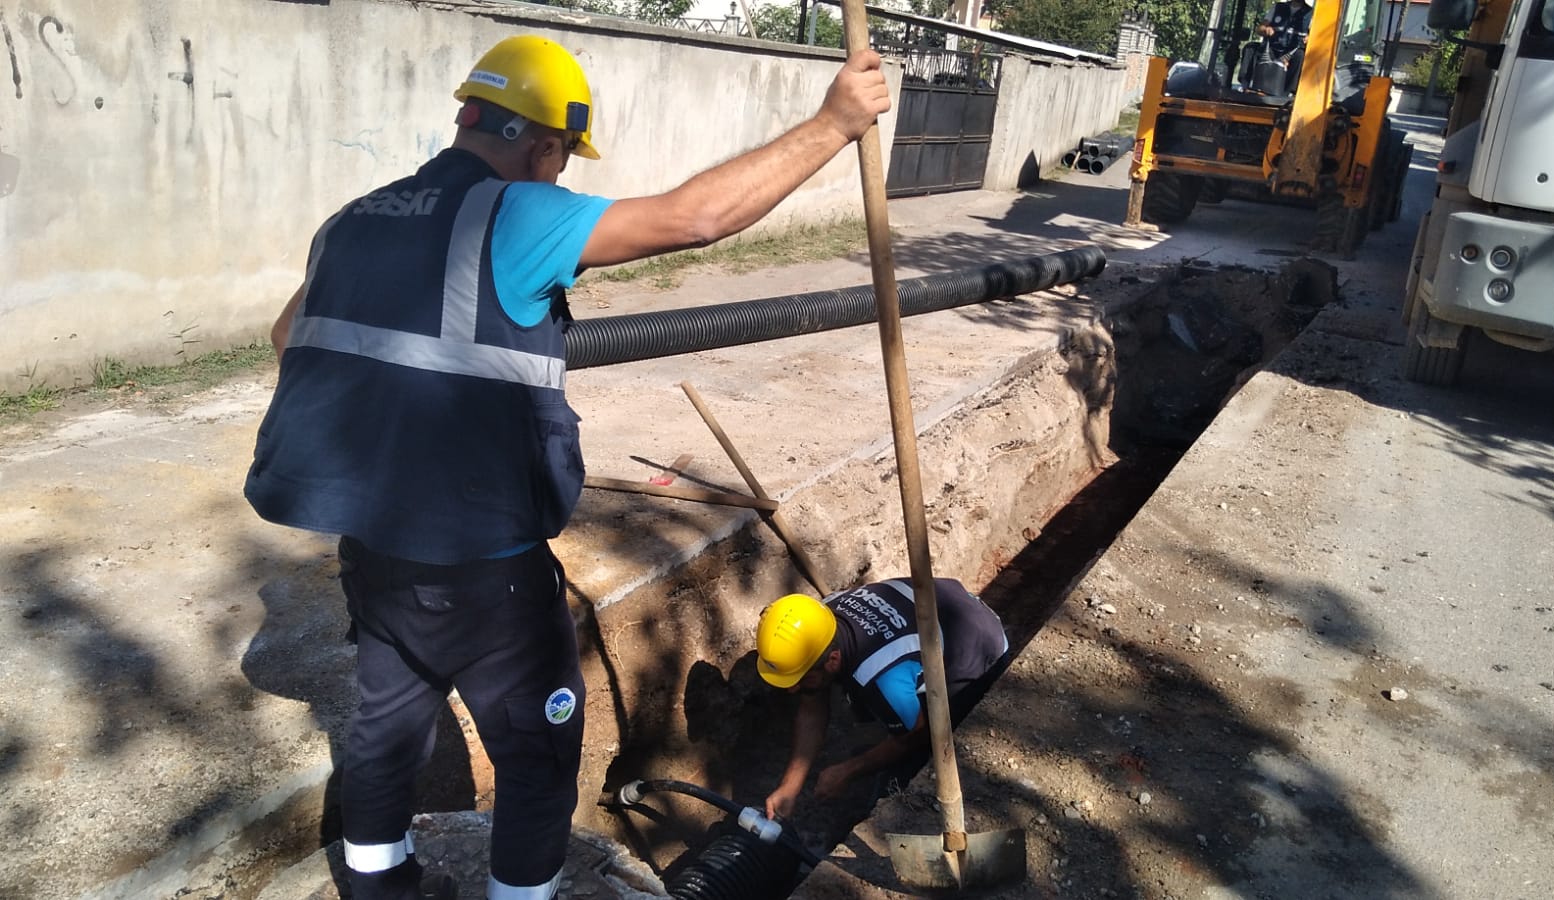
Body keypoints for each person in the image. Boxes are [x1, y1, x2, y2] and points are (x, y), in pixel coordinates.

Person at [244, 35, 889, 900]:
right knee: (540, 752)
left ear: (468, 114)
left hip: (373, 551)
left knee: (385, 731)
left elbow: (293, 340)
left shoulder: (352, 220)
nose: (557, 178)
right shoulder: (511, 212)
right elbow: (695, 218)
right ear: (545, 145)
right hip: (482, 568)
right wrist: (834, 124)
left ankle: (378, 887)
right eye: (559, 162)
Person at [756, 578, 1009, 821]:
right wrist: (789, 787)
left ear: (832, 660)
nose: (792, 690)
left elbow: (916, 735)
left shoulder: (883, 679)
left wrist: (850, 770)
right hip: (945, 605)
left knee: (911, 766)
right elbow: (812, 707)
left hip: (980, 650)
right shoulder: (821, 620)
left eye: (800, 679)